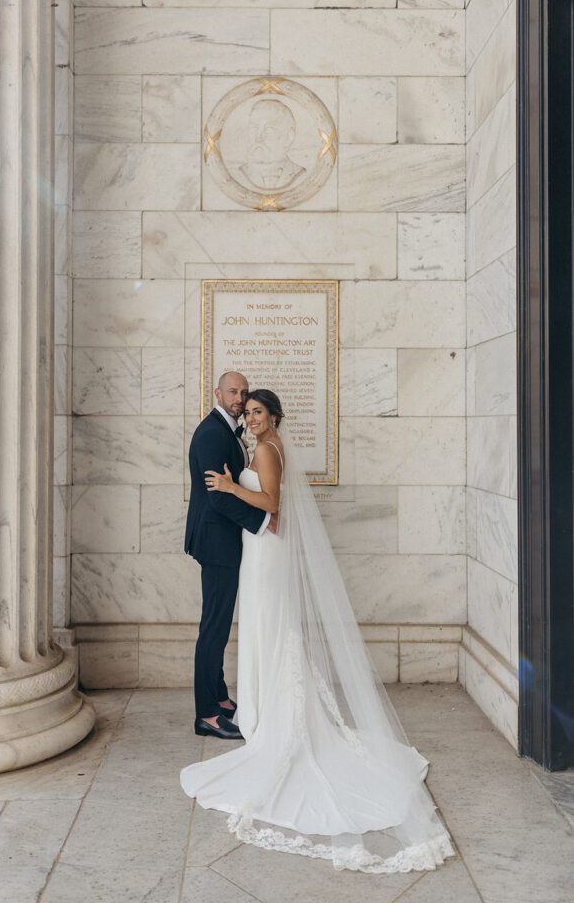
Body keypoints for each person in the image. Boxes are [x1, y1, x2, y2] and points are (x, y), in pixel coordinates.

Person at [180, 389, 455, 874]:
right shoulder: (261, 445)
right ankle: (264, 706)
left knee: (268, 626)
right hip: (262, 549)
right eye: (248, 412)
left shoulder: (266, 449)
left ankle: (270, 717)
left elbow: (270, 501)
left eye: (258, 411)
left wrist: (228, 487)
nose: (251, 416)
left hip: (263, 552)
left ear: (273, 416)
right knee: (268, 628)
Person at [184, 371, 277, 741]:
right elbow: (218, 495)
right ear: (217, 392)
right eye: (233, 392)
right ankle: (206, 714)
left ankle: (220, 698)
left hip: (223, 541)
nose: (239, 399)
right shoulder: (211, 433)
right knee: (214, 628)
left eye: (243, 392)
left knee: (219, 626)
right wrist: (262, 520)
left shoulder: (228, 431)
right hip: (217, 544)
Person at [238, 99, 306, 191]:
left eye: (268, 129)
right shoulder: (239, 174)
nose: (258, 138)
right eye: (254, 128)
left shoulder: (300, 175)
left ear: (289, 137)